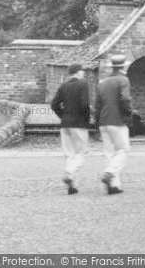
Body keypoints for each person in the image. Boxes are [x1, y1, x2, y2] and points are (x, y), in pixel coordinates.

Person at [95, 54, 133, 195]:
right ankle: (109, 173)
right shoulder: (123, 80)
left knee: (110, 153)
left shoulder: (103, 83)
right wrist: (128, 114)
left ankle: (114, 186)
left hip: (103, 122)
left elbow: (97, 105)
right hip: (117, 121)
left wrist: (97, 123)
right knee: (123, 150)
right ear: (123, 67)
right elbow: (125, 99)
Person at [51, 63, 90, 195]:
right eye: (82, 71)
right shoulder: (83, 84)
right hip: (79, 124)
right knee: (81, 153)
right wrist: (87, 119)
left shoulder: (63, 86)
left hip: (65, 124)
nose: (83, 73)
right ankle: (69, 173)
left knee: (69, 154)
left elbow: (54, 104)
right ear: (78, 72)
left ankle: (71, 185)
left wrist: (63, 116)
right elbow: (85, 104)